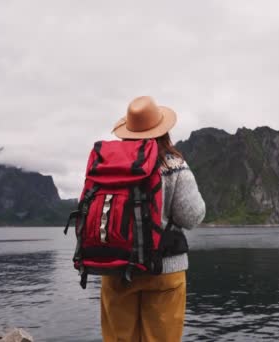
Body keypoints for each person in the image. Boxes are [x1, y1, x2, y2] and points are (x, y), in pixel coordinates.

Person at [101, 96, 206, 342]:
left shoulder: (109, 165)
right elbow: (192, 217)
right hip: (165, 270)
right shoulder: (174, 164)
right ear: (163, 130)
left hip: (118, 268)